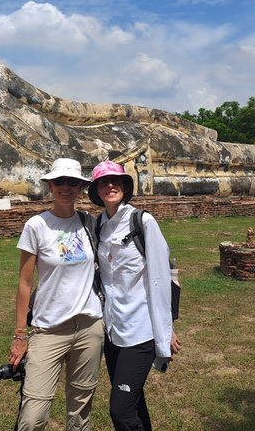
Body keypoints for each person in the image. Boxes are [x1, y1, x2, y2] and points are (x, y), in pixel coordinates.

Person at [8, 158, 104, 431]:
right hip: (48, 327)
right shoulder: (37, 226)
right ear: (50, 185)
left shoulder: (90, 223)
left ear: (81, 188)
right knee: (33, 416)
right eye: (59, 181)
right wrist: (19, 334)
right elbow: (25, 283)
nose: (66, 187)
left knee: (79, 412)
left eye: (72, 182)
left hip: (89, 326)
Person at [88, 160, 181, 431]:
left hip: (140, 332)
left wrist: (166, 330)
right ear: (96, 190)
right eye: (103, 182)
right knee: (135, 403)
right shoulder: (98, 226)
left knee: (120, 410)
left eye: (116, 181)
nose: (110, 186)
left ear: (126, 187)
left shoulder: (142, 222)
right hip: (113, 331)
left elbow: (161, 280)